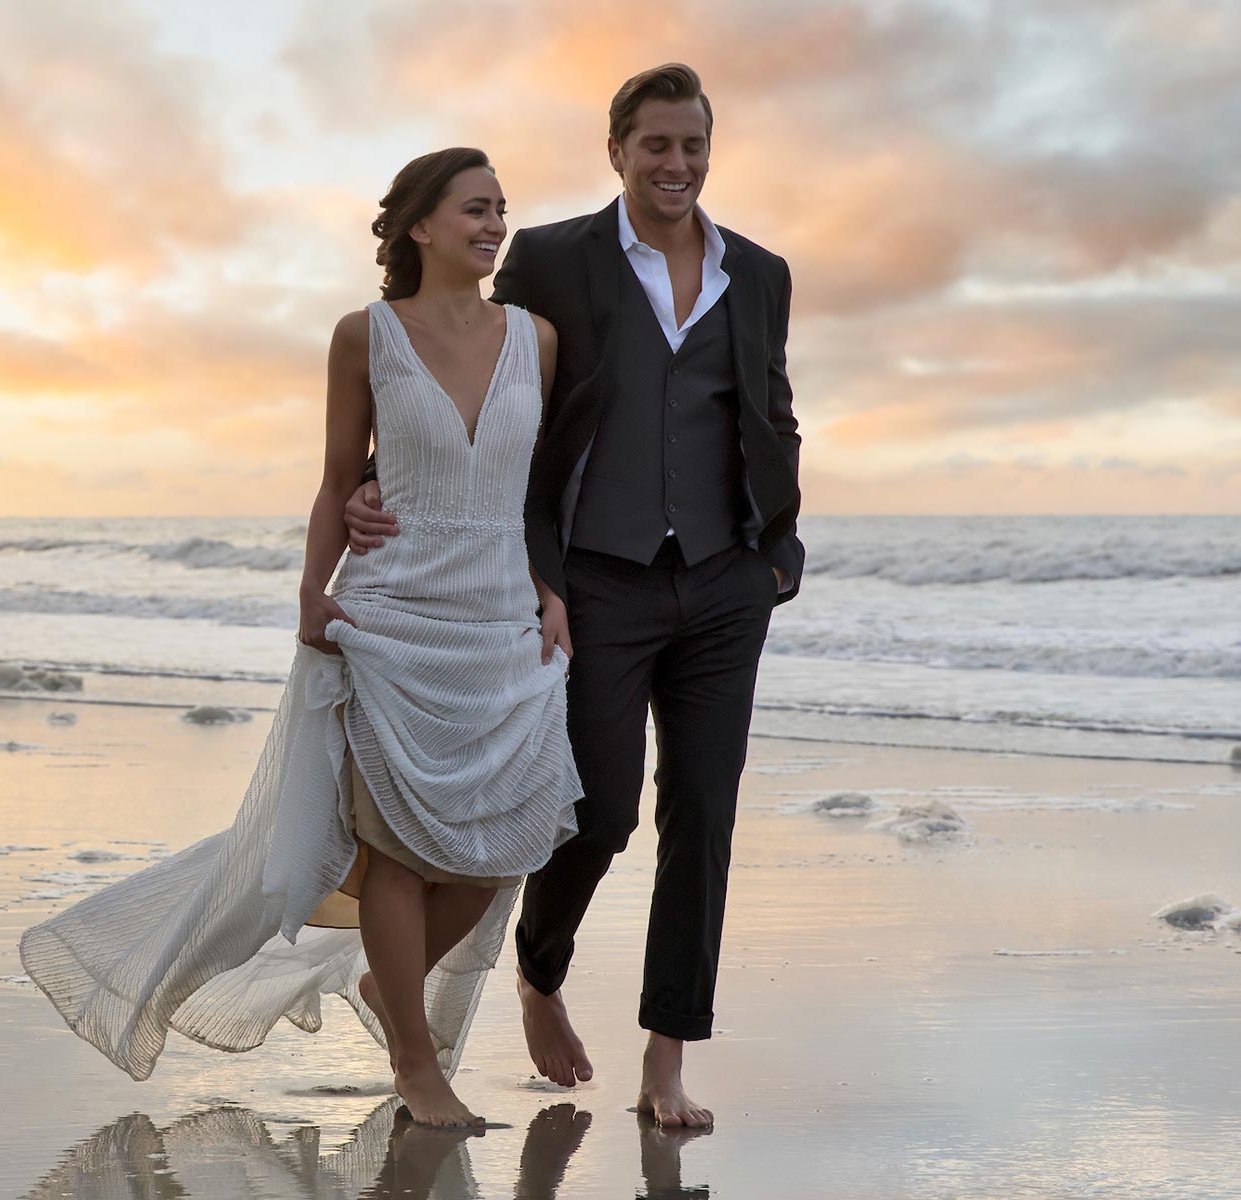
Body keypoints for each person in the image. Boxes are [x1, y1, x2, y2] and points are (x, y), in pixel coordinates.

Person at [21, 147, 582, 1127]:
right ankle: (416, 1063)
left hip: (500, 619)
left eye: (500, 209)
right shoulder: (361, 336)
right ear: (418, 226)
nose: (492, 226)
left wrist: (550, 586)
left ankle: (386, 990)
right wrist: (310, 594)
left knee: (509, 842)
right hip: (390, 612)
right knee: (396, 852)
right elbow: (336, 478)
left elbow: (541, 490)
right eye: (471, 210)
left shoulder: (536, 339)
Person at [345, 63, 804, 1127]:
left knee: (705, 817)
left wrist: (780, 546)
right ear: (617, 151)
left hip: (727, 583)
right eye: (654, 144)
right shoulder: (553, 257)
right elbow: (472, 369)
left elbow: (772, 411)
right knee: (593, 811)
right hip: (596, 576)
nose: (675, 165)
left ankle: (665, 1064)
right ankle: (539, 972)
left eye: (692, 145)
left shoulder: (762, 273)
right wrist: (379, 472)